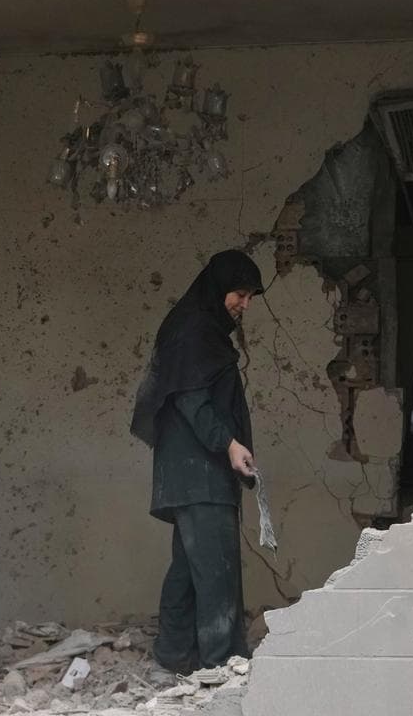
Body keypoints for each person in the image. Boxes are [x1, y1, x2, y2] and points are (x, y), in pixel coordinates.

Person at [130, 249, 264, 674]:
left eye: (250, 296)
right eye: (239, 294)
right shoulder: (193, 329)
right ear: (217, 288)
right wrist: (228, 445)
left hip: (193, 471)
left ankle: (172, 657)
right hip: (199, 469)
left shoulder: (197, 327)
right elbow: (191, 397)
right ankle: (223, 666)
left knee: (189, 569)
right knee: (218, 571)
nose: (245, 304)